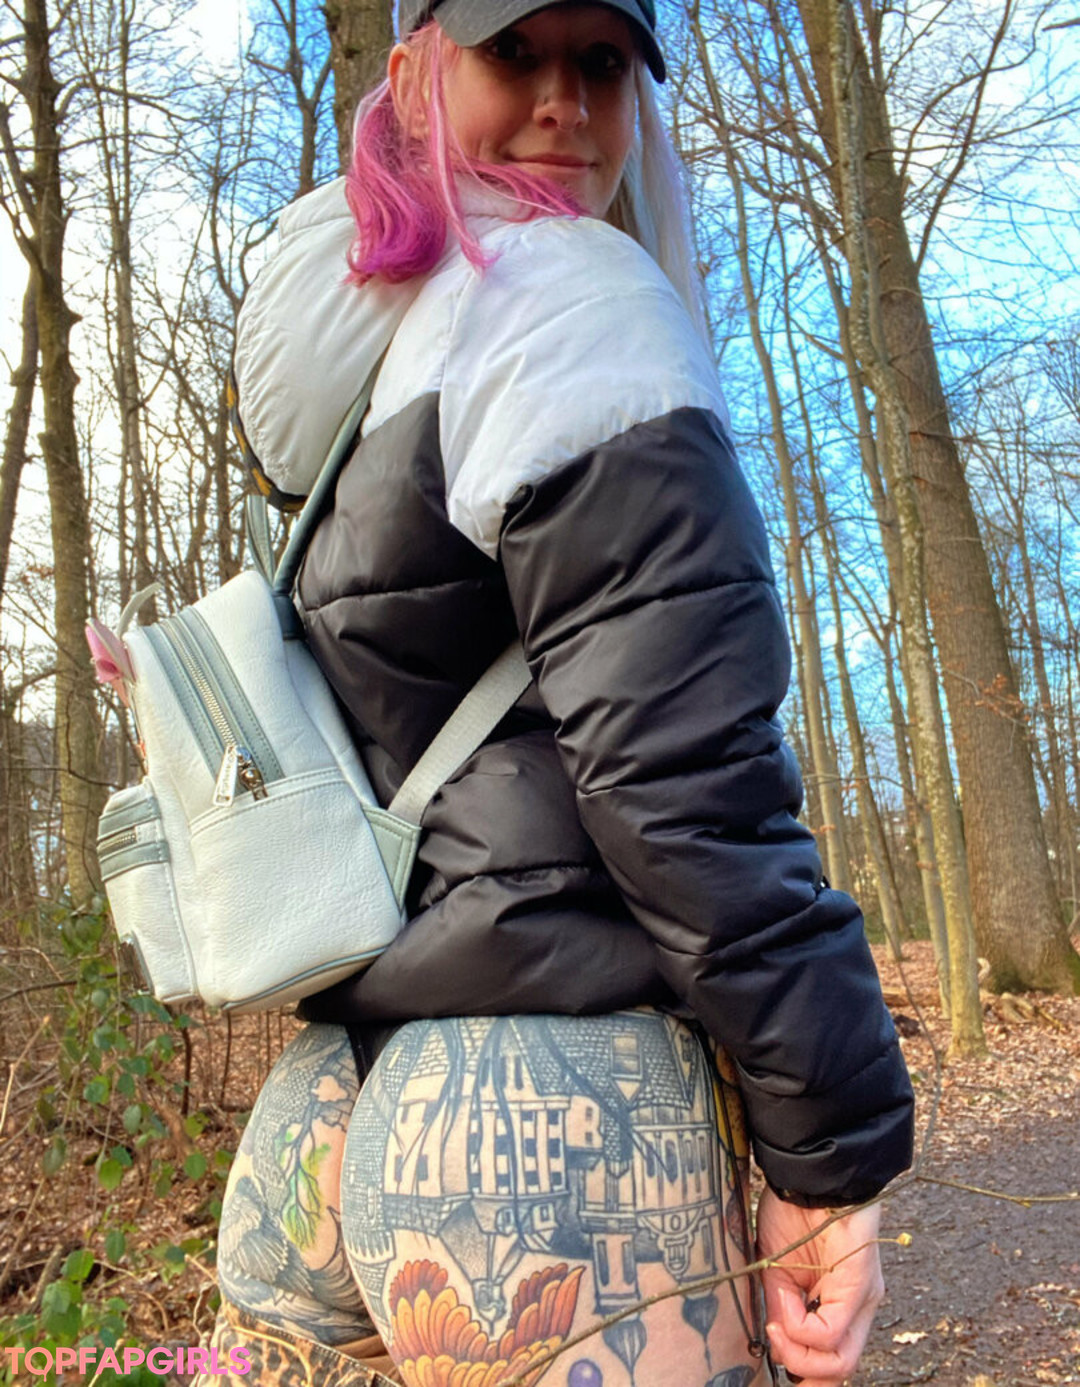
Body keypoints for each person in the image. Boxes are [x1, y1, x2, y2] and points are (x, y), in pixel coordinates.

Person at [207, 0, 915, 1382]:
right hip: (554, 1143)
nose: (563, 102)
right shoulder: (573, 299)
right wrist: (828, 1153)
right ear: (415, 74)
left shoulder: (375, 352)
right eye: (514, 51)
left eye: (602, 62)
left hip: (325, 1125)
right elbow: (684, 785)